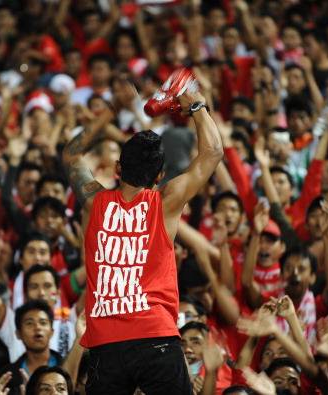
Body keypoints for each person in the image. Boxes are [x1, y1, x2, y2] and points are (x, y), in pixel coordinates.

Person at [63, 86, 222, 393]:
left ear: (118, 169)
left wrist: (112, 106)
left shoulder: (94, 201)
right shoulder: (166, 202)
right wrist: (196, 107)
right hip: (157, 337)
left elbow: (71, 154)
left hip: (106, 344)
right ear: (160, 176)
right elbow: (213, 152)